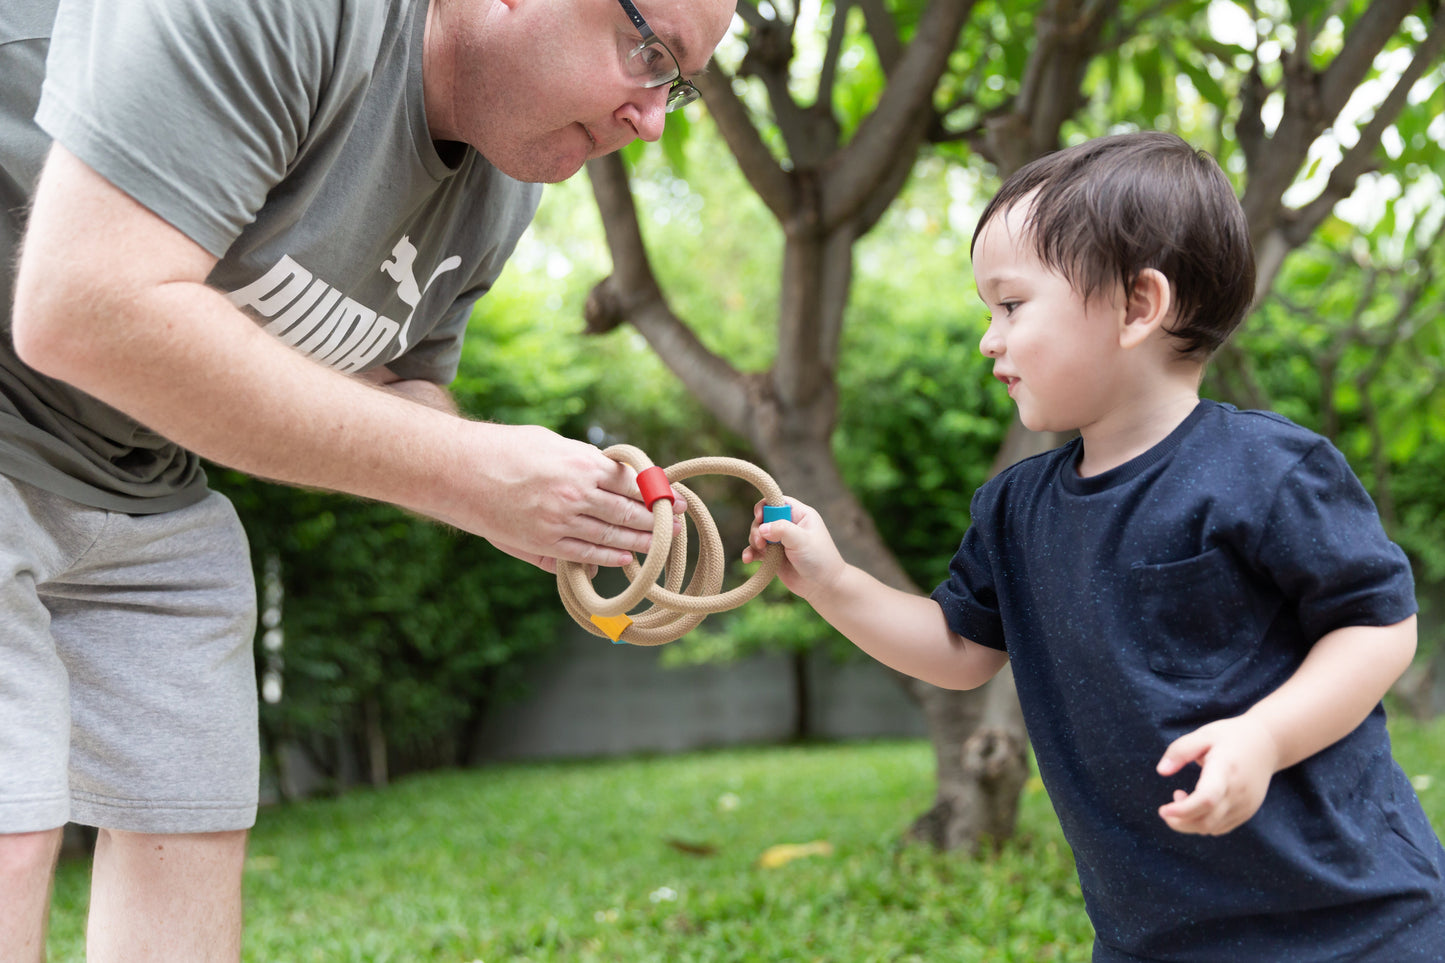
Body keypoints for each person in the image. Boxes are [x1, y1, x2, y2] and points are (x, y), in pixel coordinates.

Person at [0, 0, 735, 958]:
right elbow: (82, 309)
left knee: (186, 822)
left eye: (676, 82)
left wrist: (526, 491)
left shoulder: (505, 181)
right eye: (646, 50)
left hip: (139, 475)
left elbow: (387, 381)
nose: (653, 118)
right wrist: (469, 473)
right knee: (14, 834)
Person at [744, 131, 1445, 961]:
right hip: (1154, 935)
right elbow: (960, 649)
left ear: (1137, 307)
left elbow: (1376, 626)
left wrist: (1265, 734)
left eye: (1010, 304)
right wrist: (832, 583)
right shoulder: (1014, 508)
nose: (988, 340)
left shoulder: (1266, 470)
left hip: (1355, 919)